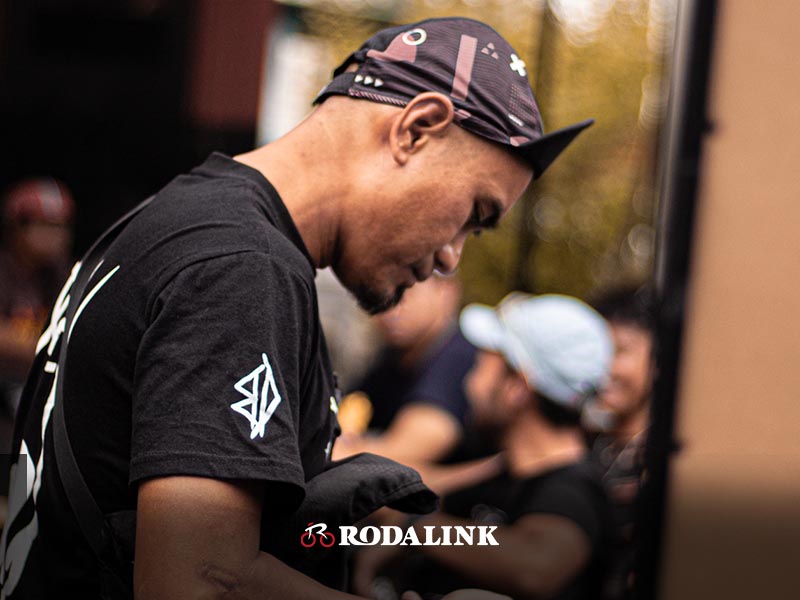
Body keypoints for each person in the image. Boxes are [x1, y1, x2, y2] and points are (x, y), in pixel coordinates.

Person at [0, 17, 593, 599]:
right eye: (472, 214)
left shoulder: (182, 218)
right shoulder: (240, 264)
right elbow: (200, 580)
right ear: (416, 129)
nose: (450, 257)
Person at [354, 293, 615, 600]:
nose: (470, 383)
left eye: (481, 367)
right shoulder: (503, 469)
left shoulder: (571, 493)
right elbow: (413, 487)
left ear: (516, 387)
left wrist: (419, 530)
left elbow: (536, 566)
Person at [334, 274, 477, 466]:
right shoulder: (394, 356)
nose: (389, 307)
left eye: (403, 292)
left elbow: (403, 453)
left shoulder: (459, 358)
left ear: (446, 292)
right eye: (378, 295)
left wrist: (325, 449)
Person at [0, 178, 74, 526]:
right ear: (17, 226)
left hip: (36, 406)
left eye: (61, 225)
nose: (55, 236)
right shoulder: (5, 272)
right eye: (44, 225)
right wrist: (51, 345)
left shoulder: (63, 276)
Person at [588, 285, 654, 599]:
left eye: (620, 351)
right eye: (595, 350)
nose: (605, 367)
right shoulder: (590, 444)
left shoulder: (658, 461)